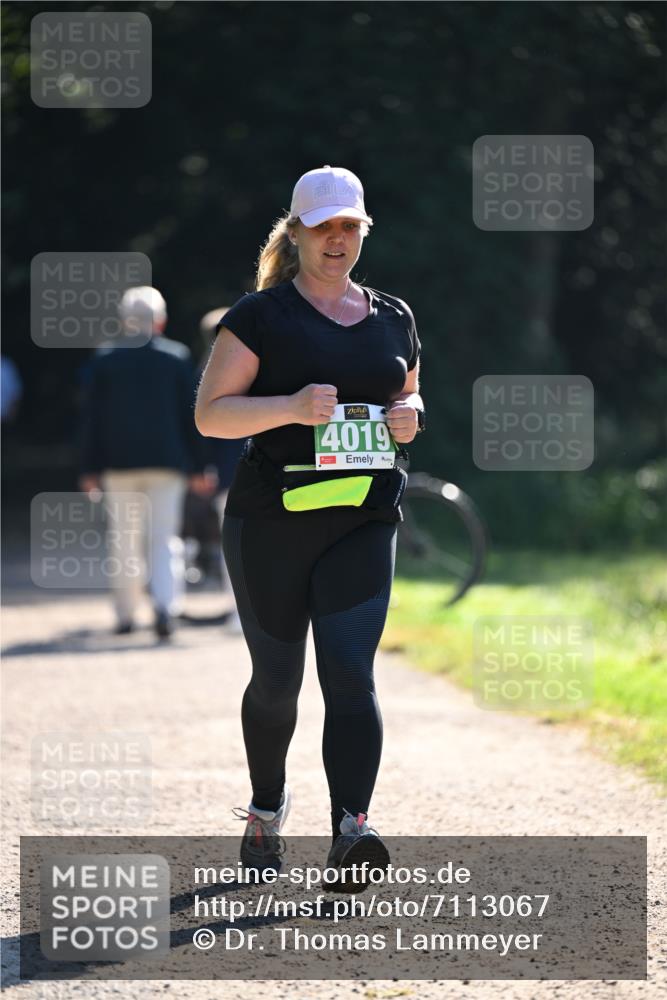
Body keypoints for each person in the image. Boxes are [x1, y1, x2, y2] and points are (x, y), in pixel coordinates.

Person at [195, 165, 425, 889]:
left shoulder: (393, 315)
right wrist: (291, 407)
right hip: (272, 521)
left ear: (362, 232)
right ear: (295, 233)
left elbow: (410, 396)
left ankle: (350, 832)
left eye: (347, 226)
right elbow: (211, 414)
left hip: (362, 516)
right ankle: (266, 807)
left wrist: (414, 417)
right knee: (276, 684)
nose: (336, 239)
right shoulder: (259, 317)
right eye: (322, 226)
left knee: (350, 675)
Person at [79, 286, 214, 640]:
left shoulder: (104, 359)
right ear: (161, 320)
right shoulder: (176, 358)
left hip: (117, 465)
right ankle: (165, 608)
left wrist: (88, 468)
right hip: (167, 465)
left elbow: (90, 419)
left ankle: (125, 614)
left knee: (123, 539)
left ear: (125, 321)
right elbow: (192, 417)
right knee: (163, 538)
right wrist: (200, 466)